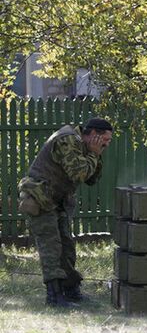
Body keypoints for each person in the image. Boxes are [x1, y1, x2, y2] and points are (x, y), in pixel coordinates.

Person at [18, 118, 113, 307]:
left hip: (56, 200)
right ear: (94, 135)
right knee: (51, 247)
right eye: (105, 139)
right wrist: (94, 155)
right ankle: (54, 296)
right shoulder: (68, 140)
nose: (107, 144)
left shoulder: (83, 145)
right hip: (39, 197)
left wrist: (94, 154)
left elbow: (91, 179)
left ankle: (70, 291)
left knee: (67, 247)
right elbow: (79, 174)